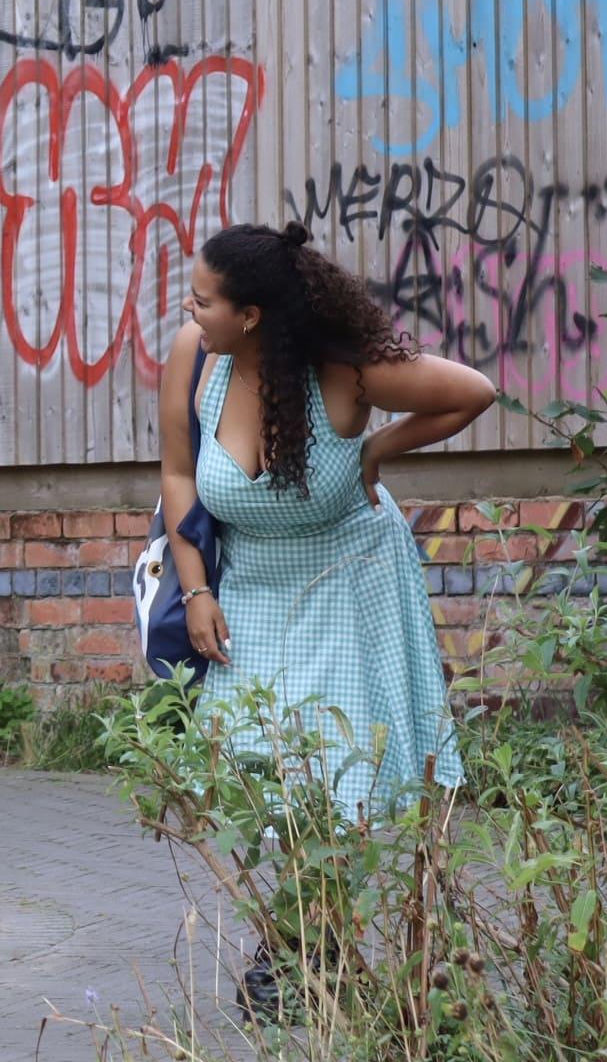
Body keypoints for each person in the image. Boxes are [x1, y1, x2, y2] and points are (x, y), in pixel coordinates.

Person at [157, 220, 496, 1011]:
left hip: (348, 580)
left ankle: (300, 949)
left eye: (203, 299)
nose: (188, 308)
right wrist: (195, 587)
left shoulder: (343, 373)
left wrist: (378, 452)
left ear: (251, 316)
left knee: (330, 775)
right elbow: (176, 471)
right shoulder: (194, 357)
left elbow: (471, 392)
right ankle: (308, 939)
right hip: (249, 588)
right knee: (252, 764)